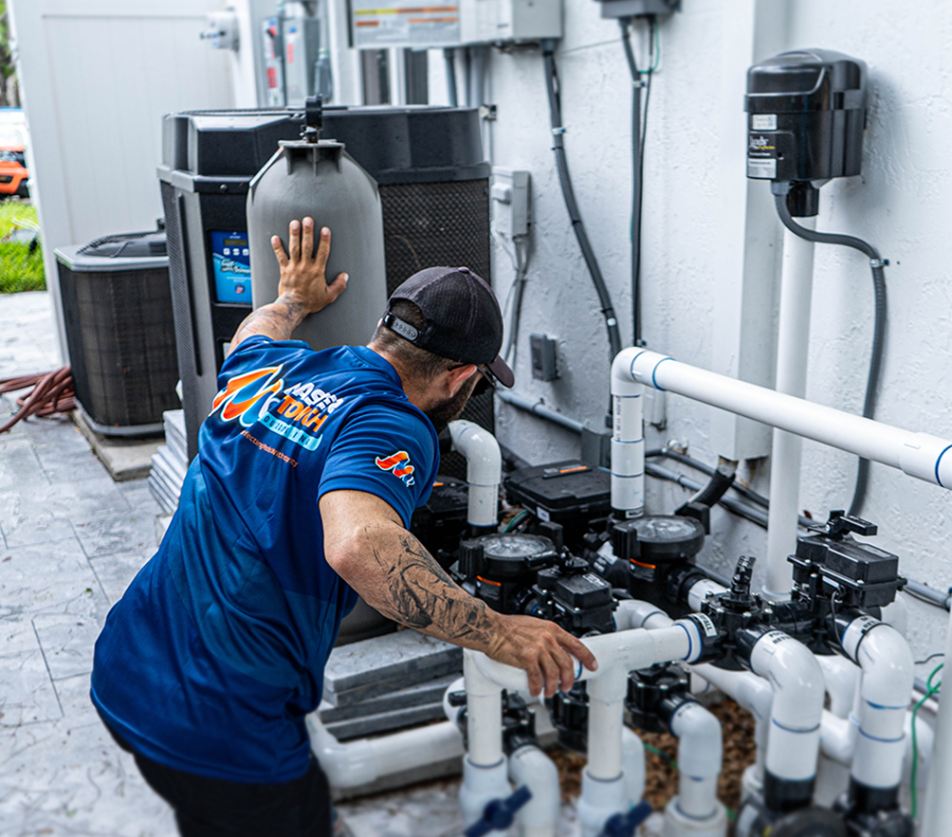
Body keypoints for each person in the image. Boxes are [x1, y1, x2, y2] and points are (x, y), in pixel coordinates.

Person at [91, 216, 597, 837]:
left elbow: (250, 335)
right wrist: (494, 632)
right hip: (225, 727)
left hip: (129, 665)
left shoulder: (273, 368)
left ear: (384, 330)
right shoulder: (391, 424)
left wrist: (291, 301)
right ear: (461, 377)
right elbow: (358, 544)